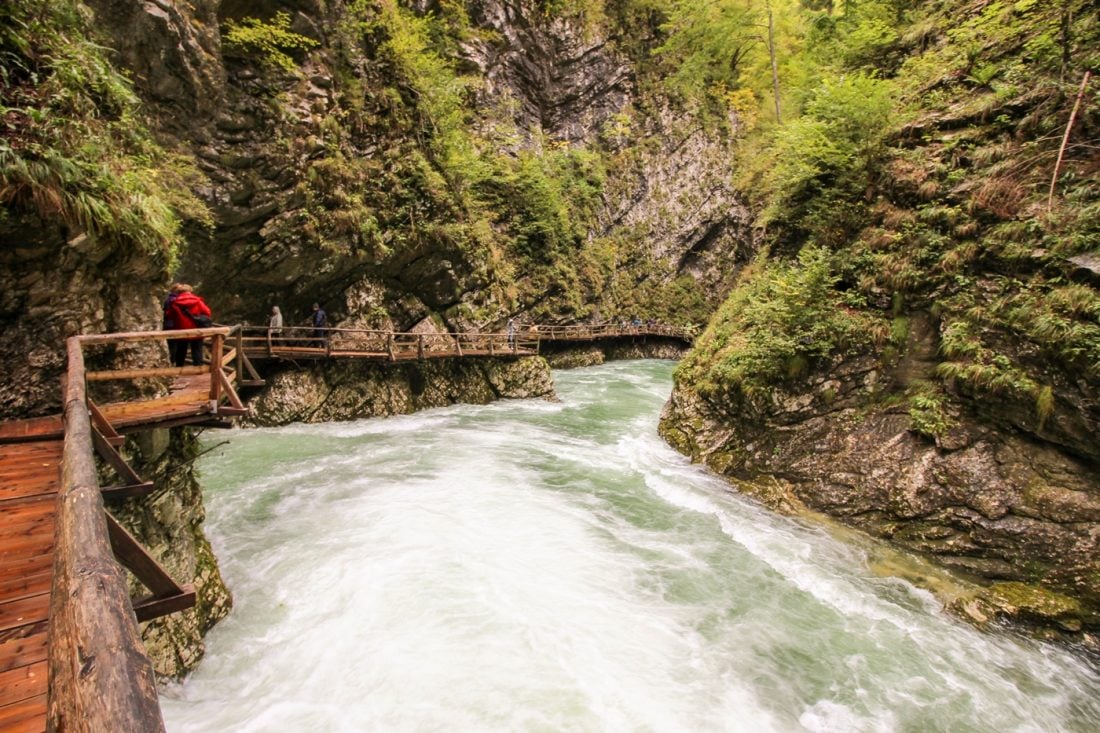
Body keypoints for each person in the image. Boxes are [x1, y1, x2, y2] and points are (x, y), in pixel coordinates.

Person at [168, 284, 213, 367]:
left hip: (181, 330)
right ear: (190, 291)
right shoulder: (198, 301)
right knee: (197, 350)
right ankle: (198, 369)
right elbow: (208, 312)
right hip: (197, 329)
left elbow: (170, 315)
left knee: (181, 351)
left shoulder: (175, 303)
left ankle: (179, 369)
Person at [162, 283, 184, 363]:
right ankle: (172, 362)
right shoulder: (176, 300)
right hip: (174, 324)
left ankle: (171, 361)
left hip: (167, 324)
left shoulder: (168, 299)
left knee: (171, 344)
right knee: (174, 345)